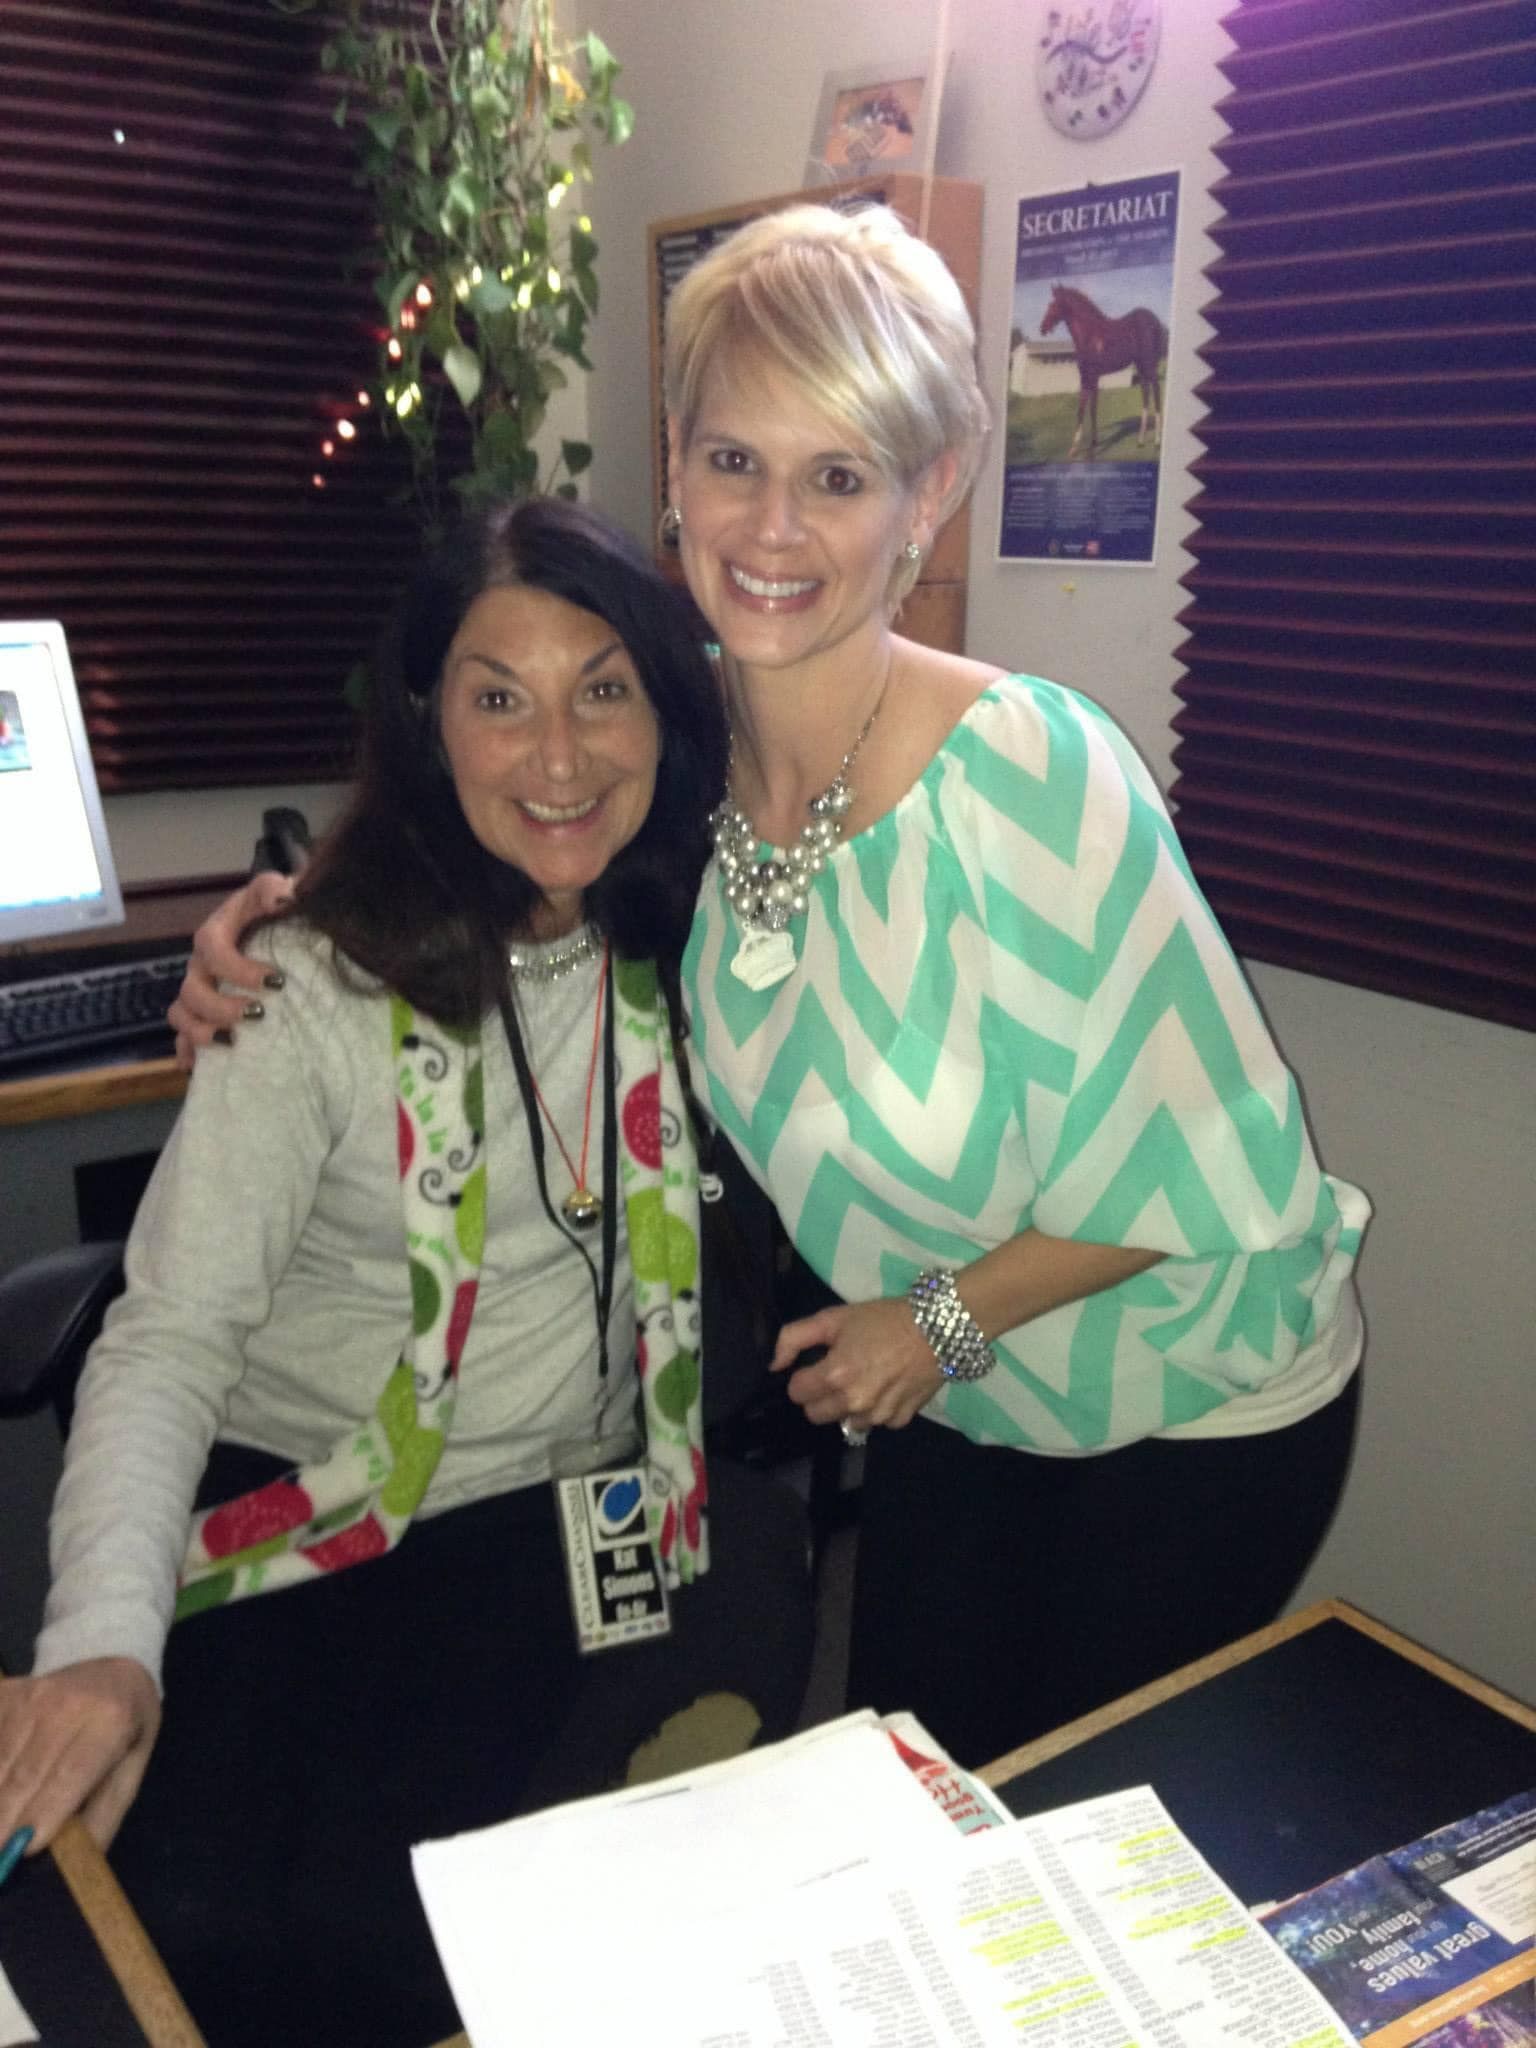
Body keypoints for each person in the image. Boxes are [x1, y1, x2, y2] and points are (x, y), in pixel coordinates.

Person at [172, 204, 1371, 1772]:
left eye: (840, 473)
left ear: (925, 496)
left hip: (1197, 1399)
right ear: (673, 466)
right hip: (962, 1394)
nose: (774, 527)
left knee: (1061, 1834)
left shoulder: (1031, 775)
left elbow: (1198, 1173)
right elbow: (486, 854)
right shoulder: (674, 767)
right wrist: (274, 935)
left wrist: (934, 1322)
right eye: (737, 460)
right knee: (916, 1807)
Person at [0, 498, 811, 2047]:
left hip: (568, 1510)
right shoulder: (308, 980)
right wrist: (97, 1641)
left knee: (511, 1913)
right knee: (233, 1941)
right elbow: (166, 1334)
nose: (558, 756)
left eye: (603, 689)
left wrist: (957, 1324)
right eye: (499, 697)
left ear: (665, 703)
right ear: (432, 724)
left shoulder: (712, 940)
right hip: (309, 1506)